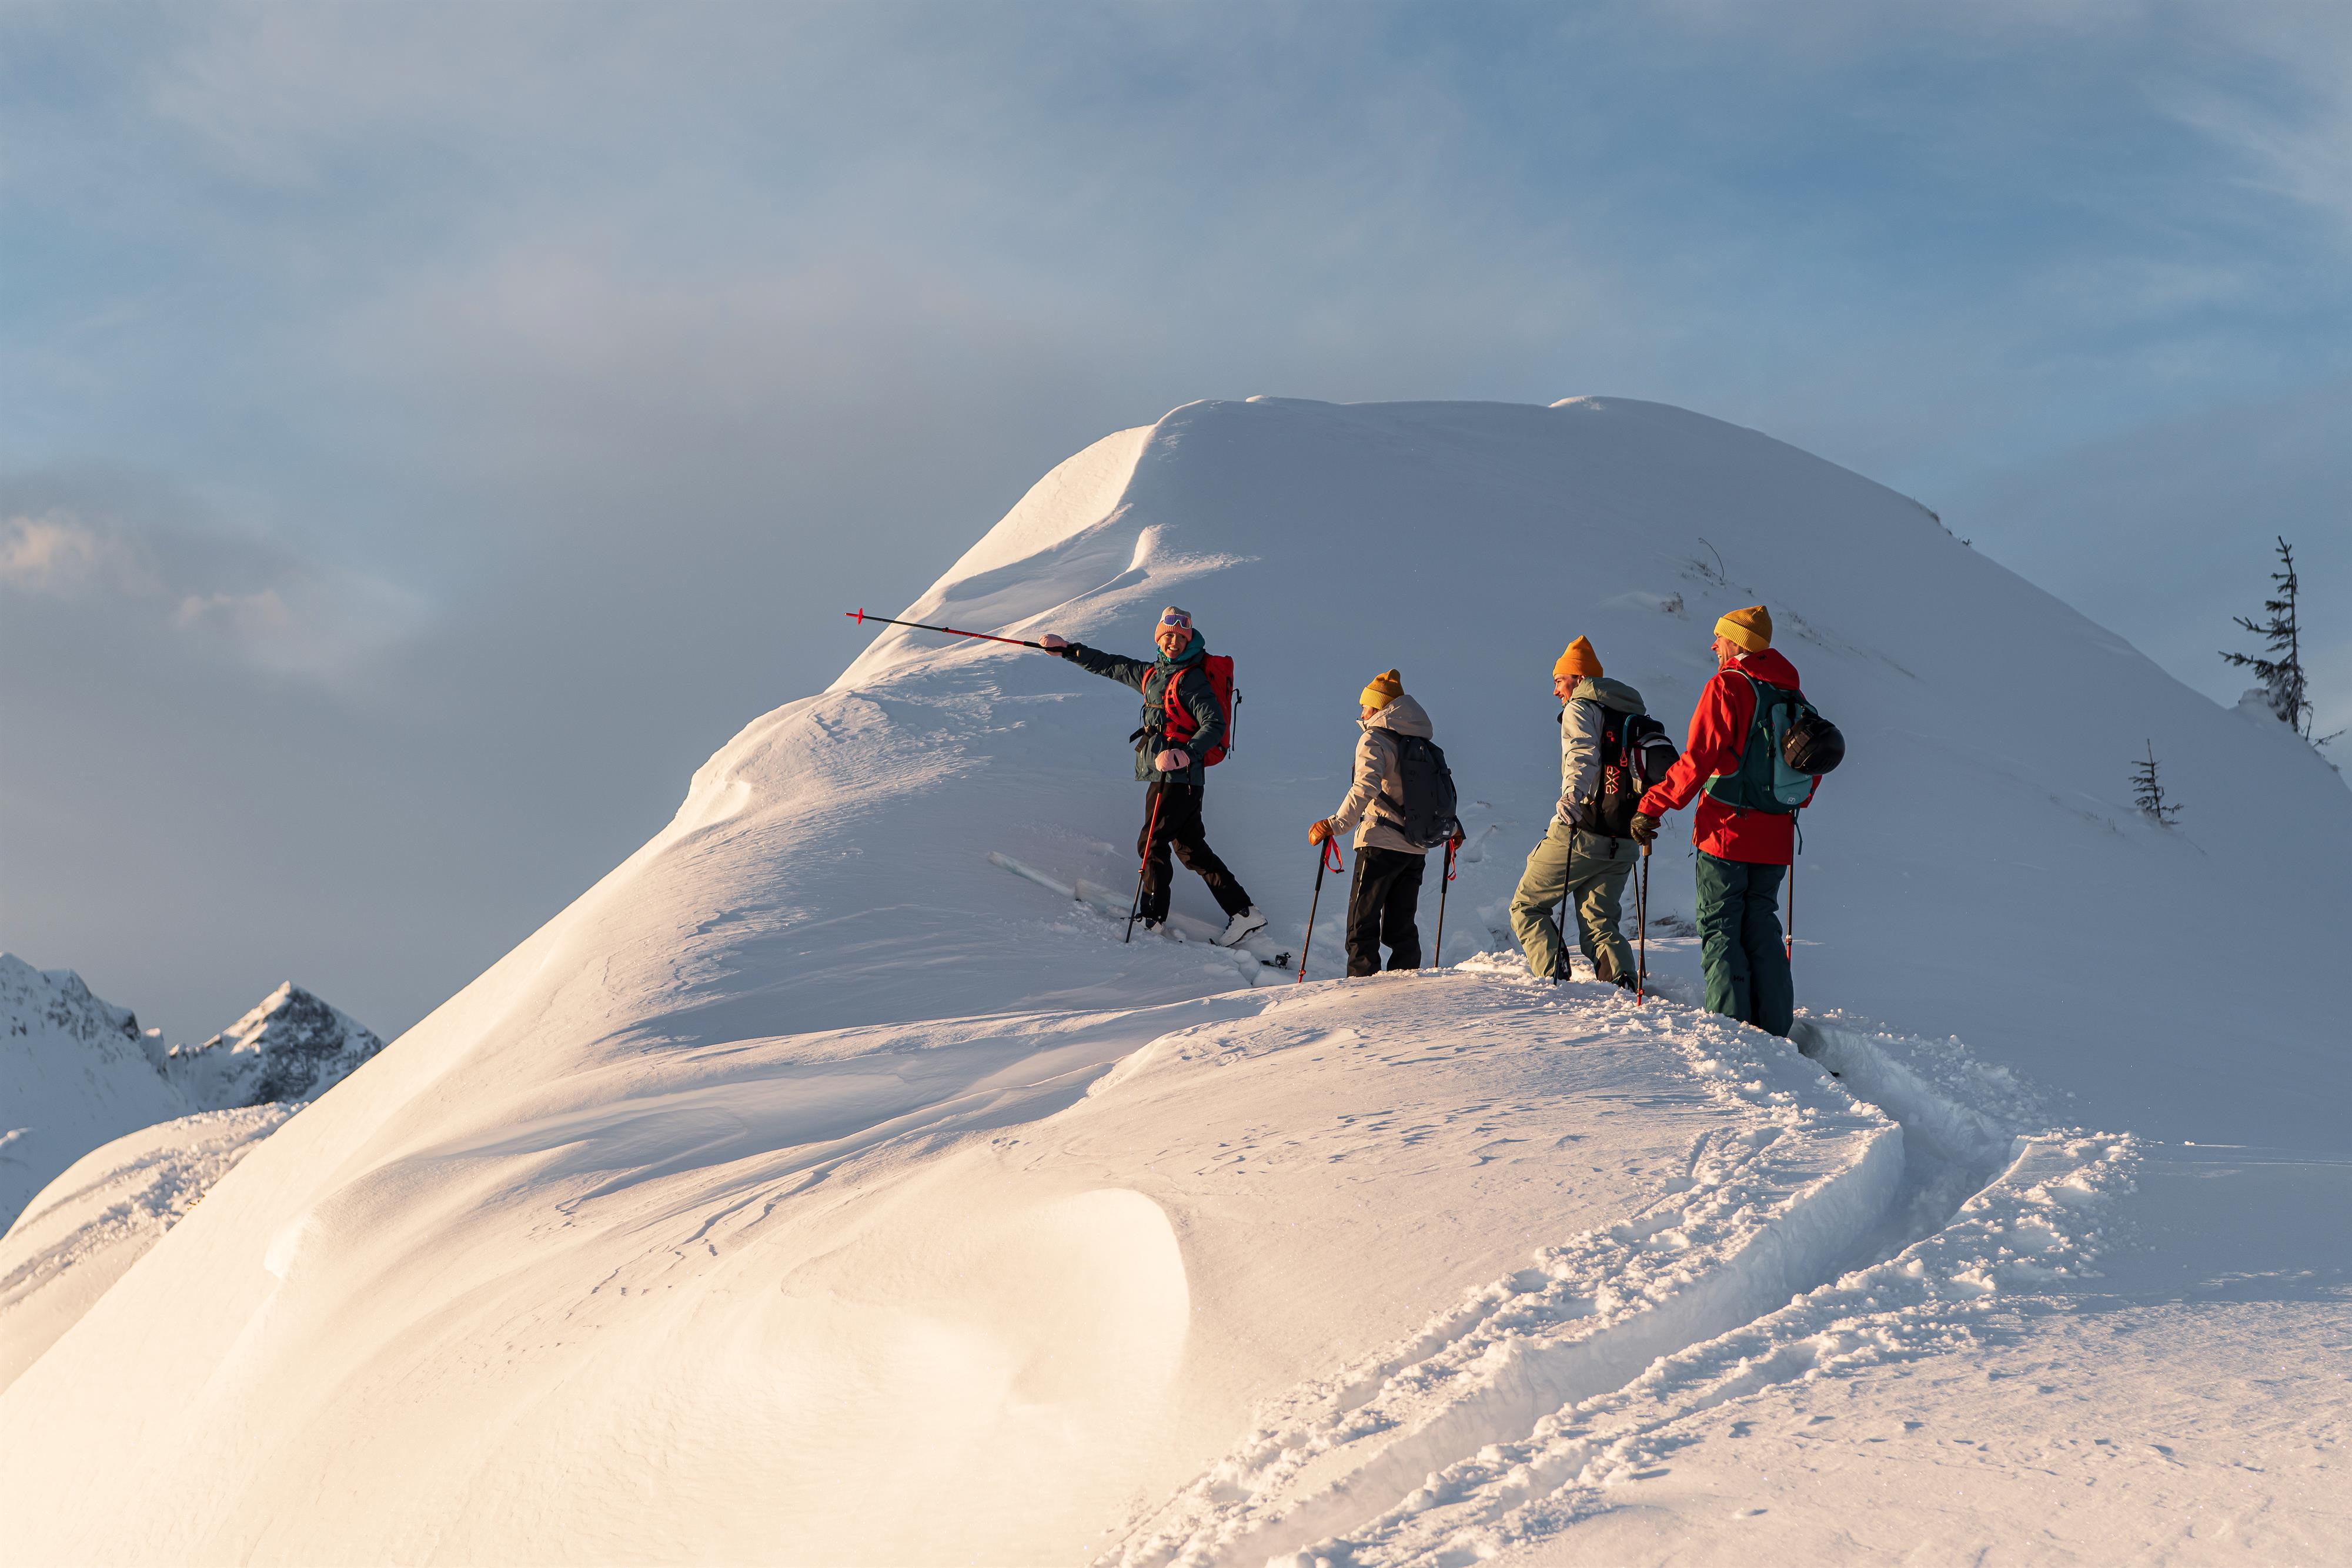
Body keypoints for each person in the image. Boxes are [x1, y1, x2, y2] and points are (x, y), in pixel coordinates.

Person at [1631, 605, 1816, 1035]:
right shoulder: (1794, 697)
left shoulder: (1728, 687)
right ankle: (1773, 1027)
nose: (1714, 644)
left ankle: (1732, 1030)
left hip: (1725, 834)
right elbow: (1811, 766)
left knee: (1721, 927)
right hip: (1775, 838)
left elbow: (1696, 762)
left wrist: (1650, 805)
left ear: (1737, 643)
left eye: (1720, 636)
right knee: (1762, 925)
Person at [1040, 607, 1266, 945]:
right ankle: (1245, 913)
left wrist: (1184, 753)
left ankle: (1152, 917)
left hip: (1178, 776)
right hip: (1173, 775)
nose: (1174, 641)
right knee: (1191, 849)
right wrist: (1069, 650)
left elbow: (1215, 724)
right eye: (1168, 635)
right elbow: (1111, 665)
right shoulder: (1152, 674)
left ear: (1189, 638)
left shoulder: (1191, 678)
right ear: (1159, 638)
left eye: (1180, 636)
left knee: (1152, 842)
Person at [1509, 637, 1651, 988]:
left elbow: (1582, 754)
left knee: (1526, 906)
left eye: (1559, 680)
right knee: (1600, 921)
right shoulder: (1630, 714)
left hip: (1581, 831)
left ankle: (1552, 975)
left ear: (1577, 677)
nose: (1557, 691)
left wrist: (1572, 797)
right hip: (1624, 838)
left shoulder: (1580, 706)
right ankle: (1622, 981)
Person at [1308, 669, 1459, 977]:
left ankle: (1362, 994)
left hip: (1378, 843)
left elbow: (1365, 787)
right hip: (1416, 849)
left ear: (1378, 708)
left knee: (1360, 925)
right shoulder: (1420, 743)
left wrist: (1335, 824)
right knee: (1400, 927)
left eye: (1364, 706)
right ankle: (1404, 990)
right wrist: (1453, 829)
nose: (1361, 713)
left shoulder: (1374, 738)